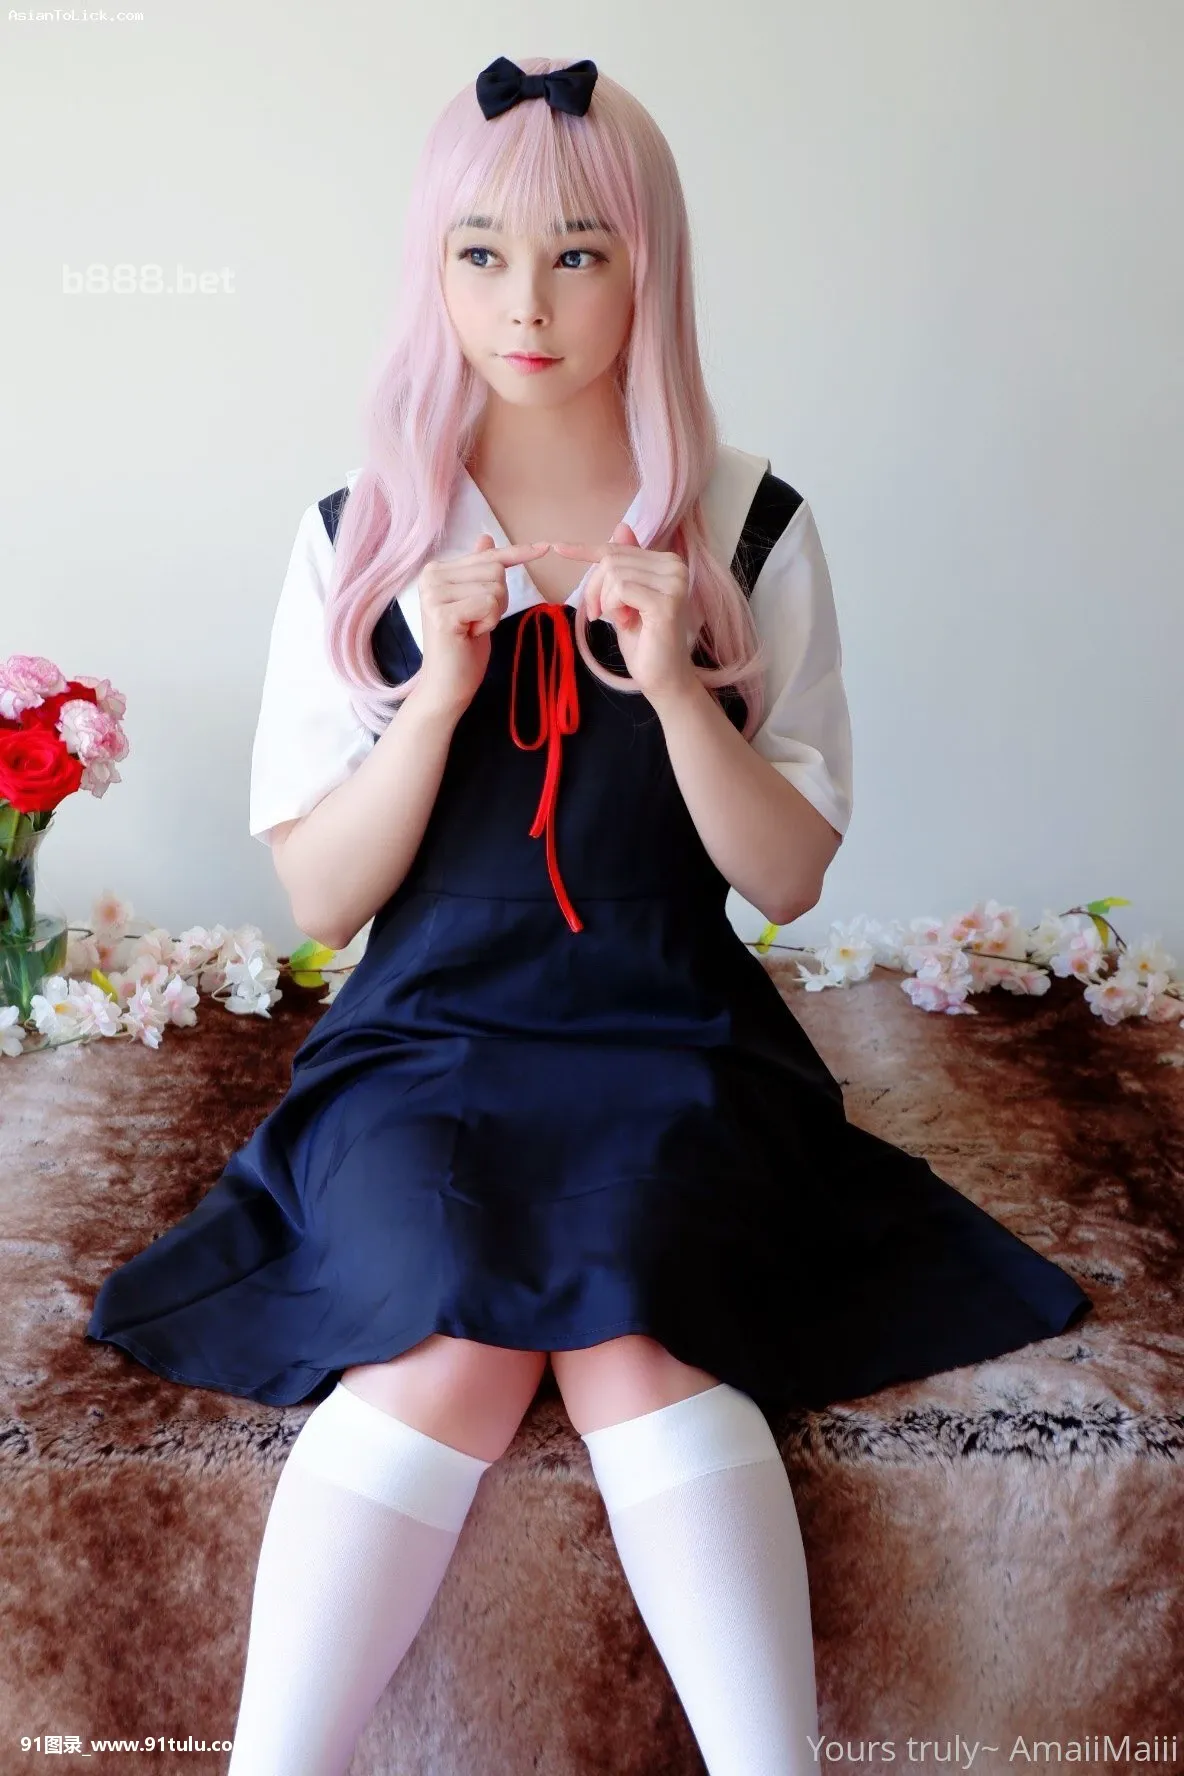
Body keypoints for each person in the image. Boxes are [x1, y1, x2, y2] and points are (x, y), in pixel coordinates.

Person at [85, 54, 1092, 1776]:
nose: (526, 306)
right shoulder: (358, 536)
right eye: (479, 255)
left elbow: (788, 875)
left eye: (578, 255)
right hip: (424, 1040)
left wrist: (678, 687)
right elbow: (322, 895)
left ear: (649, 270)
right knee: (444, 1335)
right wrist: (435, 693)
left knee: (635, 1324)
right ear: (432, 268)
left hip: (673, 1032)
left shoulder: (751, 524)